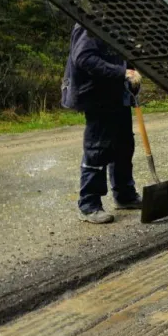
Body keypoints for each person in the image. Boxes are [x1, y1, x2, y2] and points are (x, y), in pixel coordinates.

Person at [61, 24, 143, 224]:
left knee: (124, 147)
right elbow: (83, 58)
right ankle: (88, 205)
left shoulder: (119, 27)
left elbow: (123, 58)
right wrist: (122, 73)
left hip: (117, 95)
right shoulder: (88, 25)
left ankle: (125, 195)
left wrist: (132, 70)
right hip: (96, 96)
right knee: (97, 149)